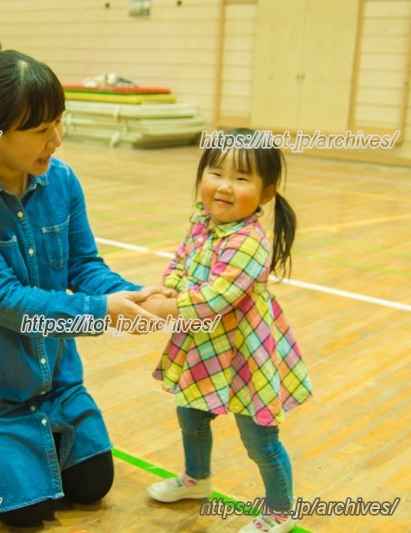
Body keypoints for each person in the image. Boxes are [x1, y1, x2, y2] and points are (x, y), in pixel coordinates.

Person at [0, 50, 170, 527]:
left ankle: (26, 447)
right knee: (24, 514)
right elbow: (7, 301)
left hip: (53, 382)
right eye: (39, 130)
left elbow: (85, 266)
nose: (56, 139)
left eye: (59, 122)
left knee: (93, 486)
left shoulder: (62, 180)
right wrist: (102, 312)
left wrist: (141, 297)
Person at [138, 128, 312, 533]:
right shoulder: (202, 219)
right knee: (191, 414)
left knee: (259, 440)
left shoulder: (249, 241)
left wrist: (163, 307)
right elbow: (182, 260)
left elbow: (215, 299)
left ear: (266, 193)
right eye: (216, 173)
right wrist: (170, 283)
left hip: (245, 355)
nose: (224, 187)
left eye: (241, 178)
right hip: (205, 347)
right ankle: (197, 480)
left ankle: (280, 512)